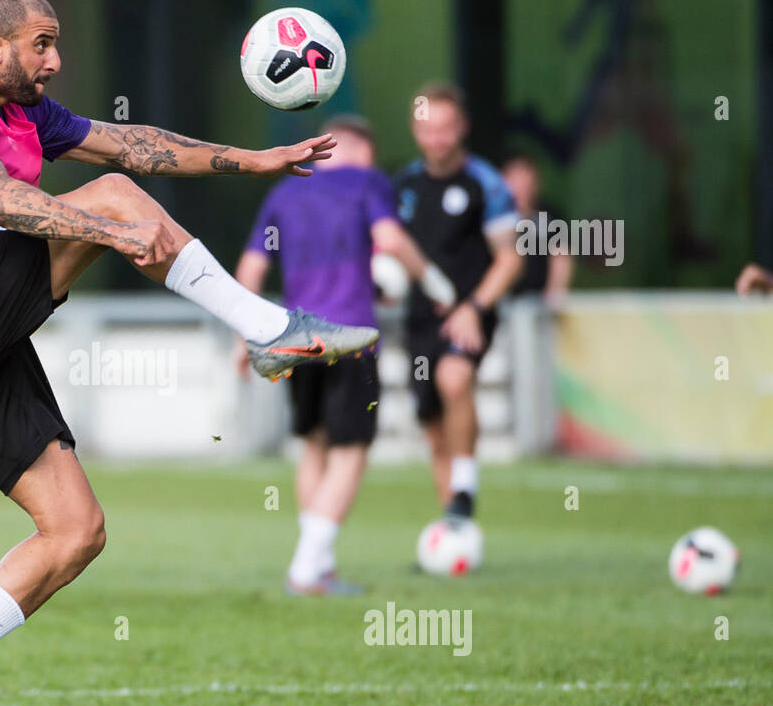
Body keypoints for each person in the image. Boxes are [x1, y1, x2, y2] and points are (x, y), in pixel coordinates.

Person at [0, 0, 378, 706]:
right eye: (42, 43)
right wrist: (109, 228)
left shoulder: (22, 109)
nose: (55, 60)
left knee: (77, 530)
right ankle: (271, 332)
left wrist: (252, 161)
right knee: (117, 200)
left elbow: (132, 143)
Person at [234, 115, 455, 596]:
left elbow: (252, 265)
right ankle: (308, 567)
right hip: (349, 336)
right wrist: (437, 285)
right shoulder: (367, 181)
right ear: (359, 150)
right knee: (350, 449)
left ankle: (319, 563)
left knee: (313, 444)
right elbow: (392, 241)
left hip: (294, 337)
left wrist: (241, 335)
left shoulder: (285, 190)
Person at [393, 82, 522, 520]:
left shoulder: (487, 185)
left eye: (446, 129)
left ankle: (465, 486)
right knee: (431, 424)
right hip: (419, 318)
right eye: (428, 130)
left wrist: (474, 308)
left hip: (471, 312)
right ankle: (454, 523)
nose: (437, 139)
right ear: (414, 130)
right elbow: (391, 251)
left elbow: (509, 259)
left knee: (454, 379)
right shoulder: (405, 184)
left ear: (462, 127)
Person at [501, 153, 573, 306]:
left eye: (525, 184)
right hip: (499, 304)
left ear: (536, 185)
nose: (520, 190)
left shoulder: (550, 218)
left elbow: (561, 258)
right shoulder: (493, 219)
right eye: (515, 183)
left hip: (538, 305)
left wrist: (554, 298)